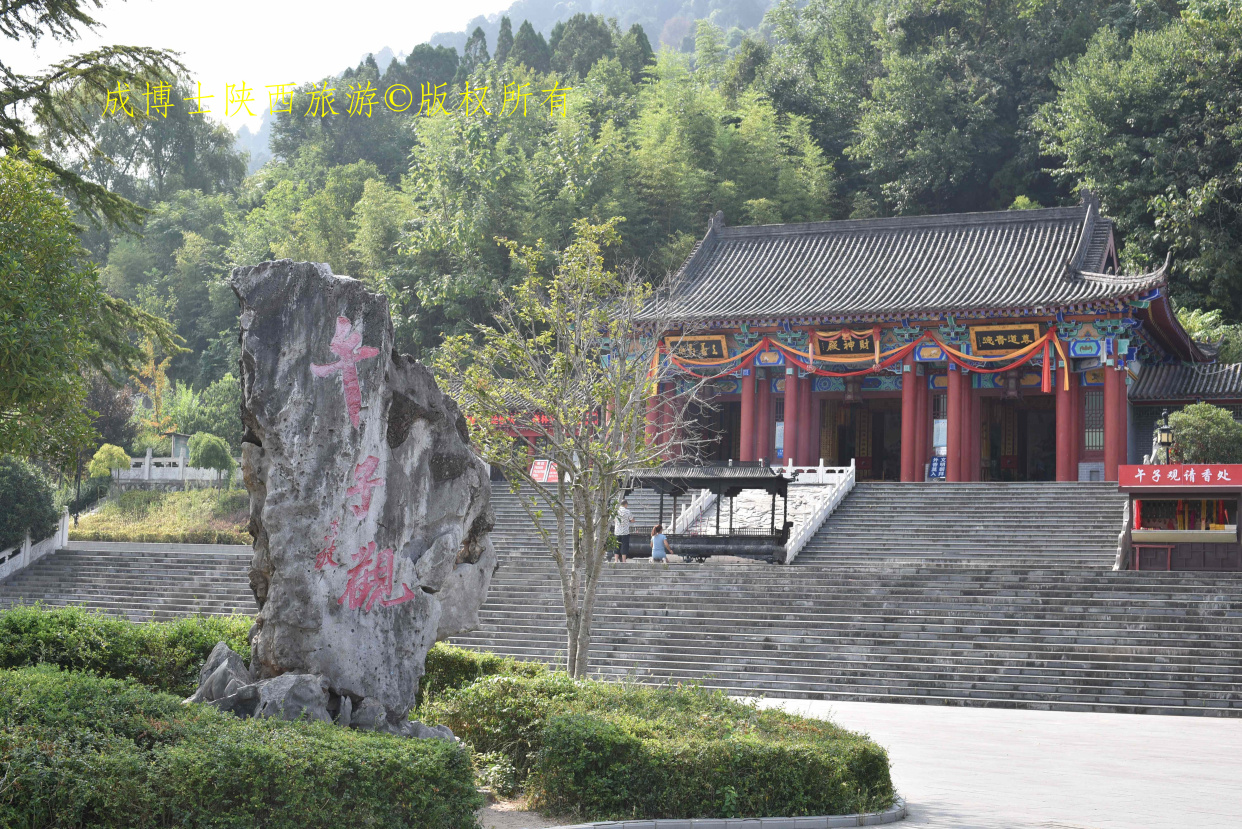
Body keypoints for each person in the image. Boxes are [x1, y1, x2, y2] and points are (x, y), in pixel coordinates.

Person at [613, 498, 633, 563]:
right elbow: (632, 520)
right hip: (625, 531)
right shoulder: (628, 511)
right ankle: (624, 560)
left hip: (617, 531)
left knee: (617, 545)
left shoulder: (616, 511)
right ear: (625, 504)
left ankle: (616, 560)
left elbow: (613, 519)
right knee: (624, 546)